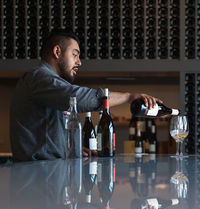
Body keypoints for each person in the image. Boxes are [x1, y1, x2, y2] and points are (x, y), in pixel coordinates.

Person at [10, 28, 162, 162]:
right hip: (36, 181)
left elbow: (45, 135)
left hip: (45, 177)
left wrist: (69, 150)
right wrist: (129, 97)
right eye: (75, 55)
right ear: (57, 52)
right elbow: (78, 98)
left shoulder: (50, 85)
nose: (79, 62)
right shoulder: (38, 77)